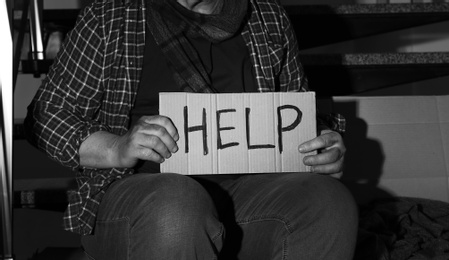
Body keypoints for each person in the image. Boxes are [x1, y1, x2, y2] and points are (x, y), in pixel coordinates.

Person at [25, 0, 358, 259]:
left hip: (249, 194)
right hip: (139, 194)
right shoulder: (111, 16)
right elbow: (46, 116)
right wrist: (116, 147)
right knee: (177, 204)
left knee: (327, 200)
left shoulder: (268, 17)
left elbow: (296, 112)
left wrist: (320, 142)